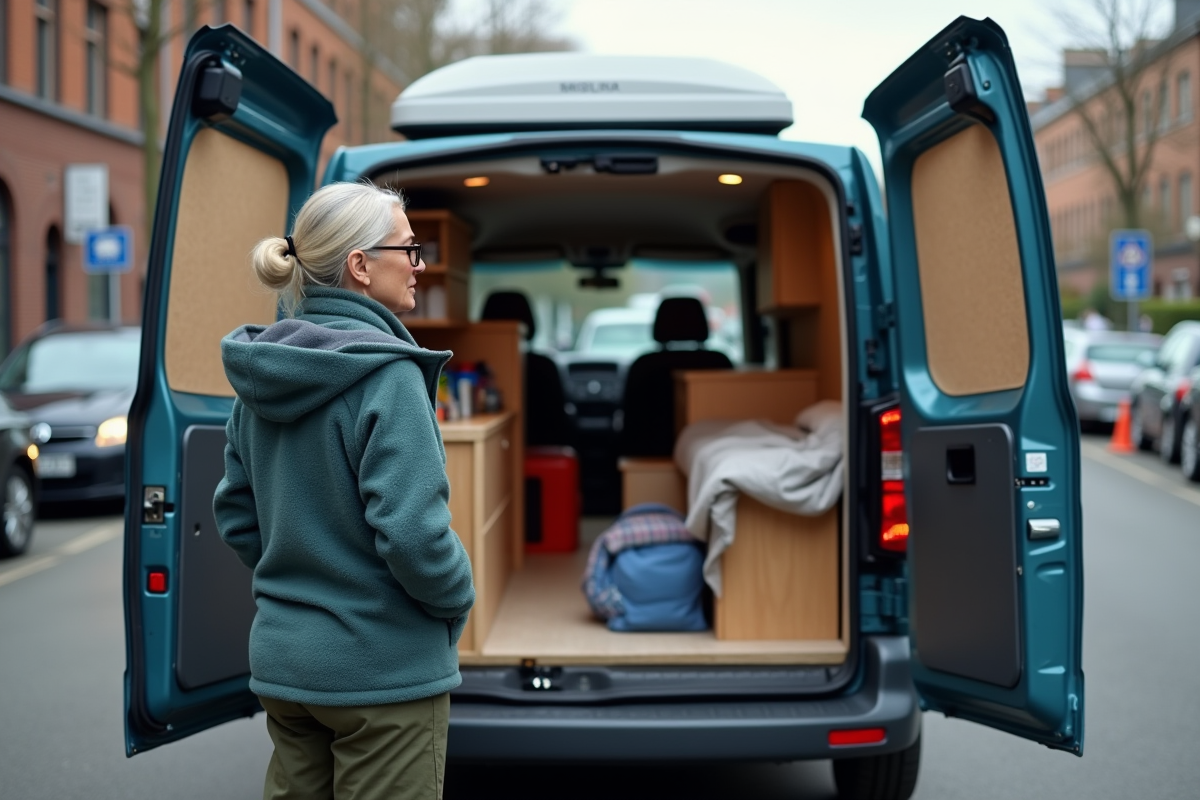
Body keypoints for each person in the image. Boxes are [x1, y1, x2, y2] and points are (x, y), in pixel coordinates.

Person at [213, 181, 475, 800]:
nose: (420, 264)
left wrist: (304, 582)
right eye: (409, 249)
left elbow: (236, 515)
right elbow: (414, 537)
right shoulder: (389, 377)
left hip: (286, 667)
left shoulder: (261, 374)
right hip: (383, 676)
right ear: (360, 266)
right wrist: (457, 599)